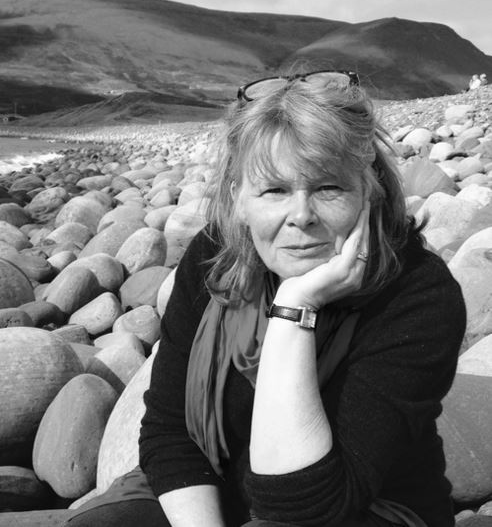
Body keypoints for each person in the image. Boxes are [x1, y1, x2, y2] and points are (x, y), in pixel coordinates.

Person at [66, 70, 466, 527]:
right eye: (275, 190)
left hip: (362, 508)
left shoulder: (417, 295)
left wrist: (296, 309)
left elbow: (303, 504)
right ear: (238, 198)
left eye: (329, 187)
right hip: (219, 487)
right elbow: (170, 431)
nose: (301, 216)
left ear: (369, 192)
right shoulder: (214, 259)